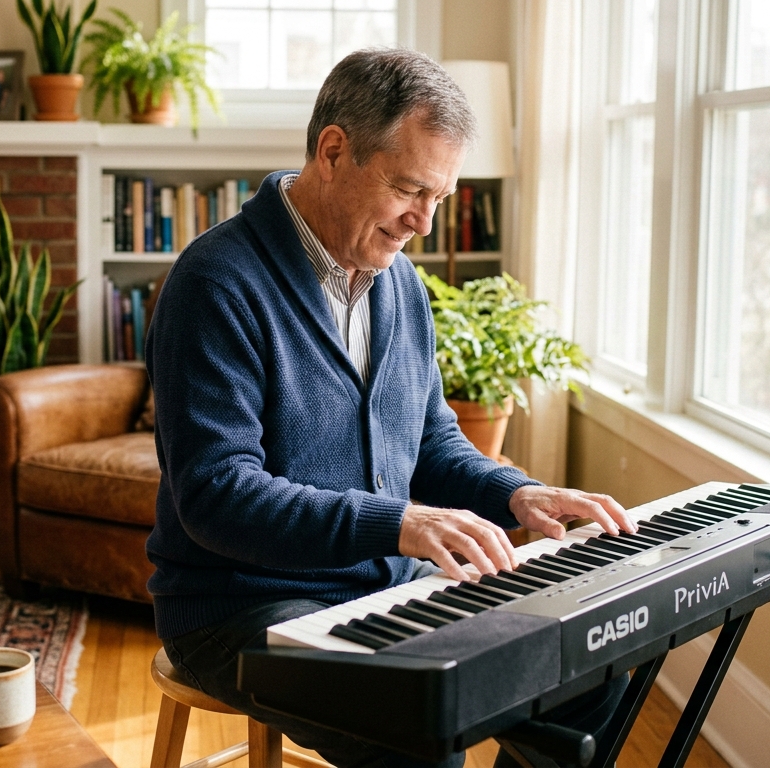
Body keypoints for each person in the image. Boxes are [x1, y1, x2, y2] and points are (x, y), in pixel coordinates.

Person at [145, 48, 634, 768]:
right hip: (244, 606)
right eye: (411, 190)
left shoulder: (398, 284)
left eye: (440, 198)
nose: (425, 224)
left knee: (591, 671)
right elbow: (217, 497)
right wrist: (399, 523)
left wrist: (519, 493)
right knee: (418, 729)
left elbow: (431, 445)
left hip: (385, 588)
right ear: (334, 151)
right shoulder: (216, 283)